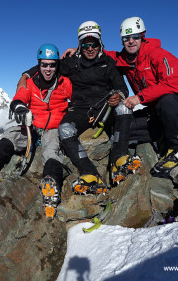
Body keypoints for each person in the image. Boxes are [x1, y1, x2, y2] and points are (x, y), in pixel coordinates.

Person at [18, 21, 140, 193]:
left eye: (94, 44)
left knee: (124, 107)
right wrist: (25, 75)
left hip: (106, 106)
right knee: (65, 129)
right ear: (80, 45)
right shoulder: (71, 63)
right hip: (81, 109)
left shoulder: (108, 62)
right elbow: (48, 65)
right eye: (85, 44)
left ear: (100, 43)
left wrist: (118, 95)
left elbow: (122, 87)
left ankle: (120, 158)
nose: (90, 48)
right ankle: (89, 173)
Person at [0, 44, 72, 218]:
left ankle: (51, 182)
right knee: (11, 136)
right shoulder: (30, 83)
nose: (48, 69)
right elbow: (20, 96)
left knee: (52, 149)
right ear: (38, 65)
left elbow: (80, 97)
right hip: (31, 125)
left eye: (52, 65)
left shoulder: (65, 83)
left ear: (57, 65)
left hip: (53, 127)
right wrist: (19, 107)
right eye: (44, 64)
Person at [105, 17, 178, 177]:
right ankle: (161, 138)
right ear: (122, 40)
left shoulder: (157, 55)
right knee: (121, 127)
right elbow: (105, 56)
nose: (131, 41)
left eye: (135, 37)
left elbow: (176, 83)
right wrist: (80, 50)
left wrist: (139, 97)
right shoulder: (125, 59)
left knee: (166, 101)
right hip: (154, 114)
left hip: (174, 108)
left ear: (142, 36)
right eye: (126, 38)